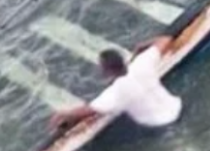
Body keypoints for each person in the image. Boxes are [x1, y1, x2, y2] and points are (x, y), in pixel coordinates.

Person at [50, 36, 182, 130]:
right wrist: (142, 46)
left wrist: (62, 113)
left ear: (106, 71)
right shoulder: (142, 63)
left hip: (160, 126)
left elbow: (88, 111)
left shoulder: (114, 93)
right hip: (178, 109)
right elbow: (166, 39)